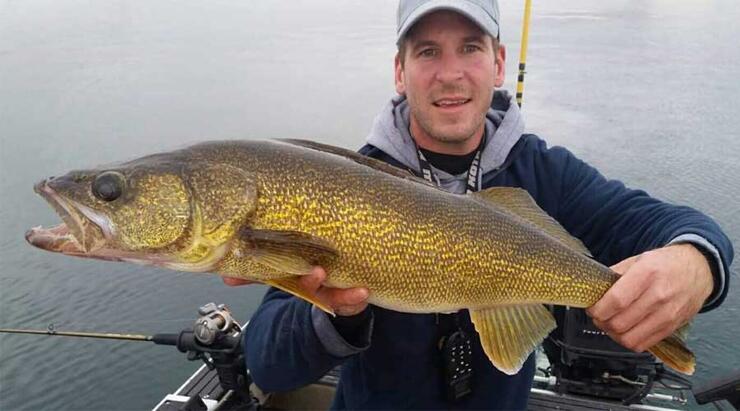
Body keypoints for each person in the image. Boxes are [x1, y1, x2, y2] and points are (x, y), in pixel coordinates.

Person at [224, 0, 734, 409]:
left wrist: (695, 261)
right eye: (427, 52)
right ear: (400, 72)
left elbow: (673, 224)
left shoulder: (543, 172)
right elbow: (268, 365)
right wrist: (337, 317)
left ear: (498, 64)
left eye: (469, 47)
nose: (450, 74)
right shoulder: (341, 188)